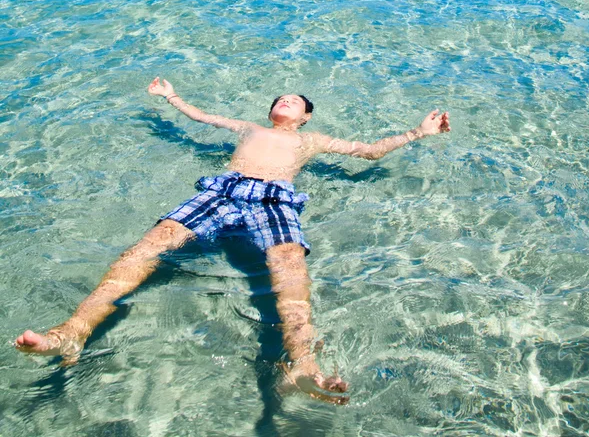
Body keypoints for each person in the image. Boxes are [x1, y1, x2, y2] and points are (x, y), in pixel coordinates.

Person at [15, 77, 451, 404]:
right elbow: (202, 117)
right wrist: (170, 97)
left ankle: (303, 365)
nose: (287, 101)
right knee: (146, 248)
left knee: (290, 270)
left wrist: (418, 133)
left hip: (273, 197)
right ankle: (71, 332)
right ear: (269, 112)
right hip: (222, 189)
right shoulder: (247, 128)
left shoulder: (312, 140)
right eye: (281, 98)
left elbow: (369, 150)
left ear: (305, 117)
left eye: (296, 102)